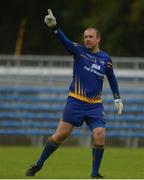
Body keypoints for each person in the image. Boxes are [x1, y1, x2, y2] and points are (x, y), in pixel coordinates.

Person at [25, 9, 123, 178]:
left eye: (91, 37)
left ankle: (94, 173)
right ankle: (38, 163)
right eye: (85, 37)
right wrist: (55, 28)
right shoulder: (79, 51)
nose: (87, 40)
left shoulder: (106, 59)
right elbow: (65, 41)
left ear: (98, 39)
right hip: (75, 102)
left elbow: (112, 78)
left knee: (99, 135)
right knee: (60, 135)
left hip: (95, 105)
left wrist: (117, 97)